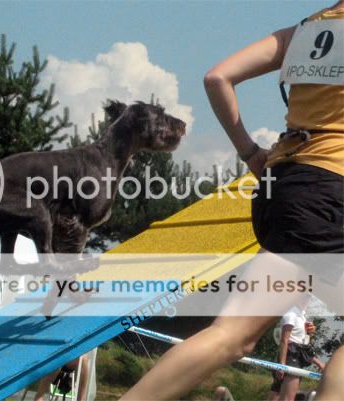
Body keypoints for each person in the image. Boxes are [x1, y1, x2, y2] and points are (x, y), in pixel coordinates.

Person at [119, 2, 344, 400]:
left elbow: (217, 77)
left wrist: (250, 153)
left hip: (283, 187)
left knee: (230, 335)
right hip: (327, 193)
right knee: (233, 335)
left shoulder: (304, 31)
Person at [266, 299, 325, 401]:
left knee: (274, 396)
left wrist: (308, 333)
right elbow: (285, 340)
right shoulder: (292, 314)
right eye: (305, 296)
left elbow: (300, 345)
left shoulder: (301, 315)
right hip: (290, 359)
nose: (307, 300)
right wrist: (282, 365)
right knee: (287, 398)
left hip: (290, 357)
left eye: (309, 297)